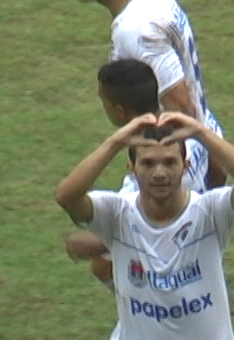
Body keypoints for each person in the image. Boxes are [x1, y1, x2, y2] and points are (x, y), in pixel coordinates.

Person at [55, 111, 234, 340]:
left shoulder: (209, 213)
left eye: (170, 162)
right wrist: (116, 141)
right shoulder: (116, 214)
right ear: (132, 168)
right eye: (148, 163)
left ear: (186, 165)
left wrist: (201, 133)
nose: (159, 173)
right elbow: (67, 196)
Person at [65, 0, 226, 187]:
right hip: (199, 143)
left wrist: (214, 173)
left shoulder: (137, 30)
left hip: (174, 168)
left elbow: (180, 105)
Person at [72, 58, 210, 286]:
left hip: (172, 264)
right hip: (198, 239)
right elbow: (217, 167)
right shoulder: (191, 130)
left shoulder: (142, 182)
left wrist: (91, 243)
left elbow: (129, 225)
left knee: (101, 264)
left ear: (118, 110)